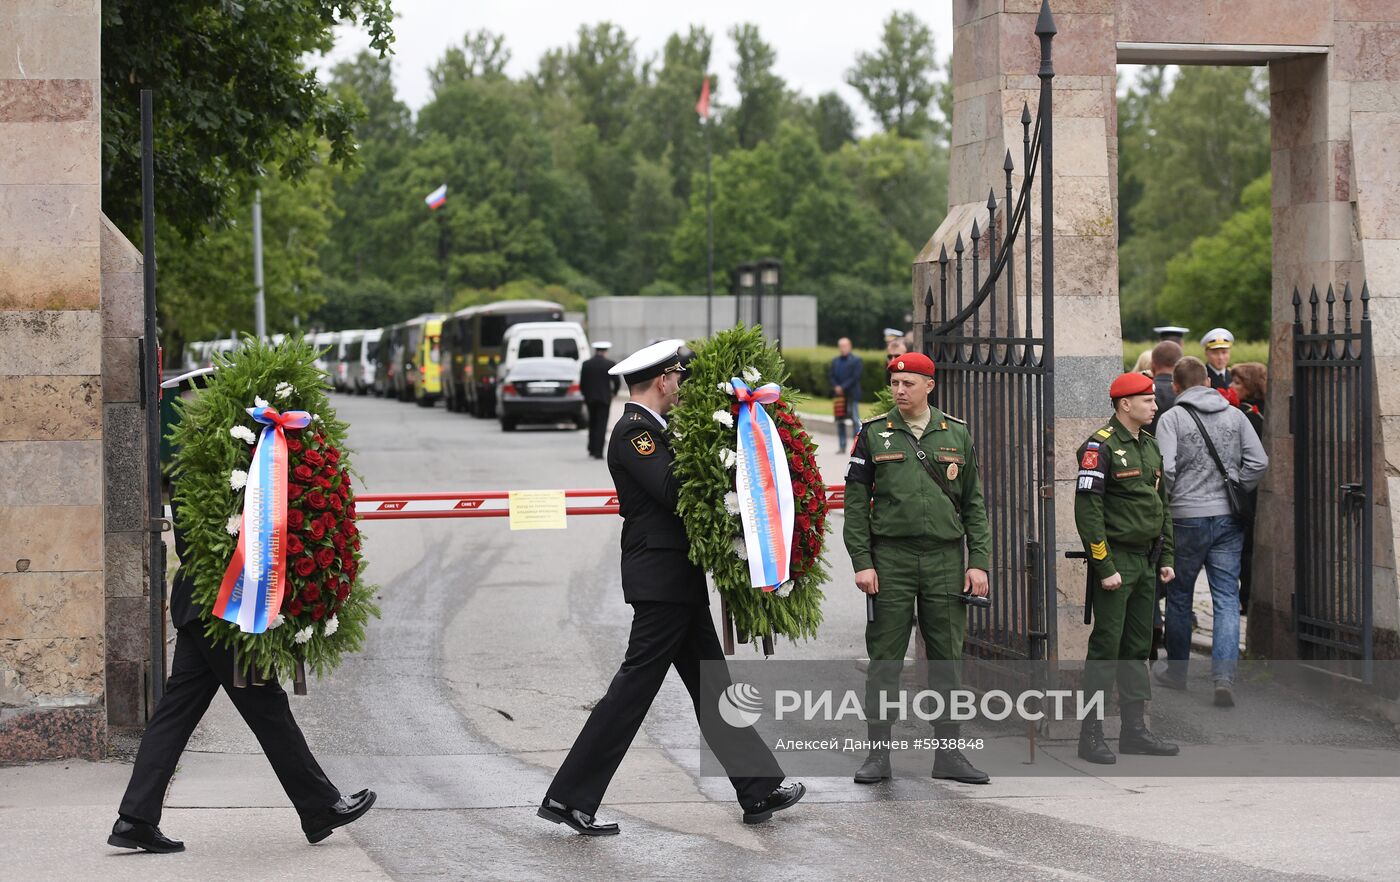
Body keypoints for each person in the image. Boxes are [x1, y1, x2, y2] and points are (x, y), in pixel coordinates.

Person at [540, 340, 804, 835]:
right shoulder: (635, 432)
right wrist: (723, 459)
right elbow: (673, 490)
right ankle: (569, 797)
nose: (681, 386)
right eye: (678, 379)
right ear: (662, 381)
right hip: (660, 581)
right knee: (632, 691)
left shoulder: (658, 429)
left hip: (676, 578)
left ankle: (757, 787)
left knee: (712, 685)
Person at [110, 499, 375, 853]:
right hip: (226, 605)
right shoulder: (218, 458)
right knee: (268, 709)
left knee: (177, 712)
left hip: (202, 604)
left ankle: (135, 819)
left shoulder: (201, 459)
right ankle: (320, 807)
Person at [843, 352, 992, 786]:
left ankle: (949, 753)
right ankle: (878, 755)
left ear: (930, 385)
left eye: (908, 383)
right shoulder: (873, 435)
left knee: (948, 658)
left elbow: (974, 505)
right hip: (891, 559)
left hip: (945, 559)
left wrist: (978, 561)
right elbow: (855, 505)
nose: (899, 390)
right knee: (885, 660)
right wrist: (862, 561)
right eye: (894, 383)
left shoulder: (957, 434)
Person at [1073, 372, 1180, 765]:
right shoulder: (1099, 448)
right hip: (1116, 561)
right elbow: (1088, 510)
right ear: (1125, 405)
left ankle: (1134, 731)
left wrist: (1166, 556)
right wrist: (1104, 565)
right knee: (1106, 647)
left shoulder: (1149, 446)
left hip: (1146, 562)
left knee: (1138, 648)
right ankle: (1091, 734)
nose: (1155, 405)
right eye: (1148, 400)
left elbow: (1162, 506)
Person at [1154, 356, 1268, 708]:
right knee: (1226, 598)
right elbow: (1259, 462)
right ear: (1207, 380)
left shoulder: (1171, 418)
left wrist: (1173, 501)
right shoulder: (1235, 416)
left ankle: (1177, 672)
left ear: (1176, 386)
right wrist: (1237, 486)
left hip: (1185, 518)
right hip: (1227, 519)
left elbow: (1166, 468)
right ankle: (1224, 678)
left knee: (1178, 595)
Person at [580, 340, 620, 459]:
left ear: (596, 350)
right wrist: (614, 393)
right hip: (604, 399)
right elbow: (616, 381)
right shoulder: (610, 363)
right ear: (606, 351)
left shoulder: (586, 364)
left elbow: (583, 383)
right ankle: (598, 451)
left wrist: (585, 395)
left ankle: (591, 448)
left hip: (590, 398)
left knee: (592, 422)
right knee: (601, 424)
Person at [828, 337, 864, 450]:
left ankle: (857, 447)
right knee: (840, 420)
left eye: (845, 346)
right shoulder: (835, 361)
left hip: (852, 394)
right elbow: (831, 376)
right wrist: (837, 387)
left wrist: (842, 387)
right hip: (839, 396)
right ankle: (842, 446)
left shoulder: (856, 360)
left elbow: (855, 377)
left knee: (855, 419)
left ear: (850, 346)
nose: (843, 348)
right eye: (841, 346)